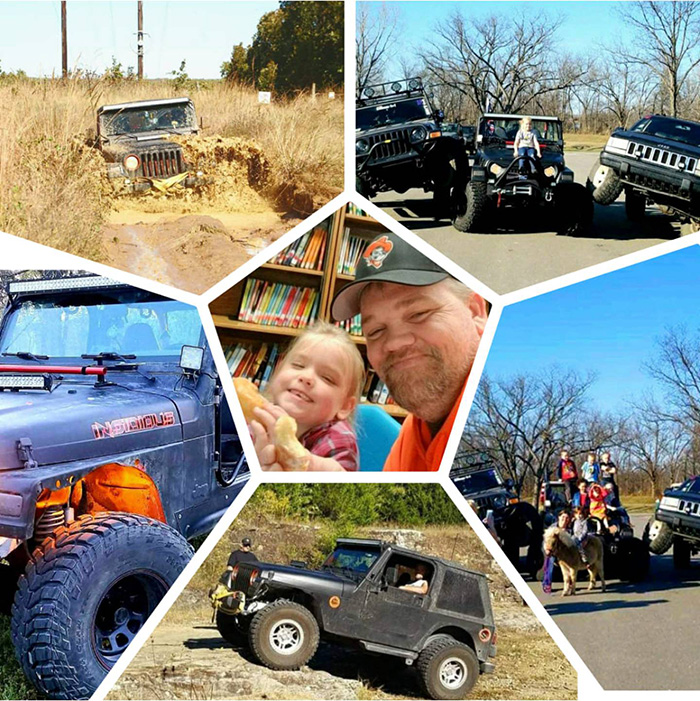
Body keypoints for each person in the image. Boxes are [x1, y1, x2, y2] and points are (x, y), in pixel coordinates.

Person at [331, 232, 487, 472]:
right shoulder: (416, 433)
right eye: (376, 331)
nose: (395, 343)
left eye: (418, 314)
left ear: (475, 311)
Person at [251, 321, 365, 471]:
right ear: (277, 371)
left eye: (327, 378)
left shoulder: (339, 440)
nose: (306, 377)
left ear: (344, 406)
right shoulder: (256, 417)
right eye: (298, 365)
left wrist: (306, 463)